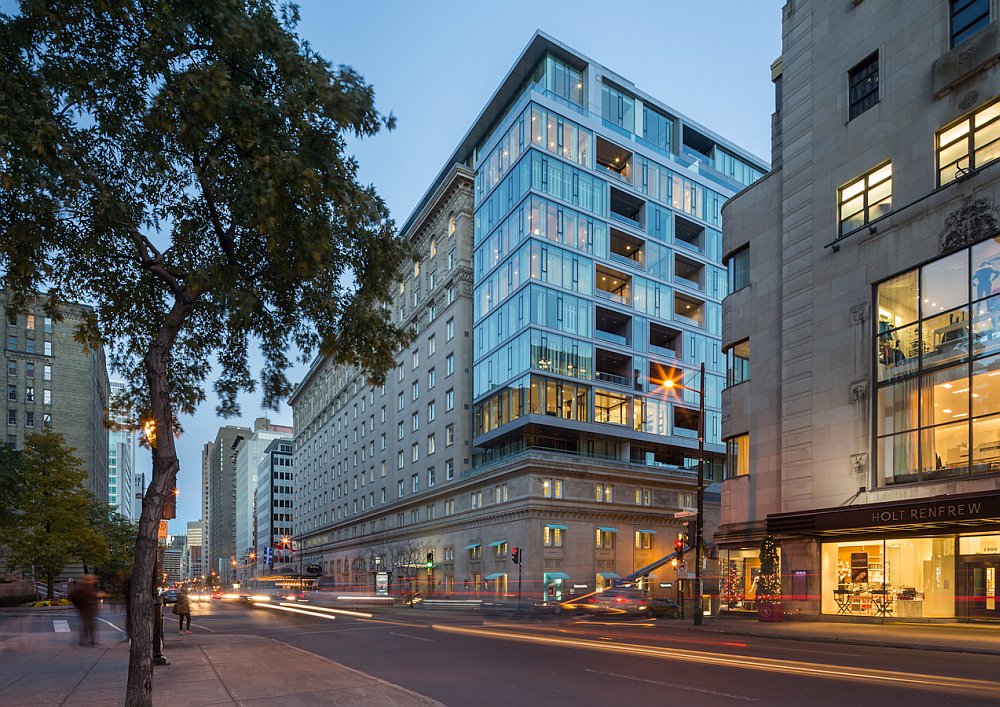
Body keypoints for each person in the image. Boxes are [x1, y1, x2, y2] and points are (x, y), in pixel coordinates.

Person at [68, 575, 104, 646]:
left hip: (87, 609)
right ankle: (88, 641)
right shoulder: (83, 588)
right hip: (86, 609)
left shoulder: (84, 587)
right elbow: (88, 597)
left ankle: (89, 641)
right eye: (92, 579)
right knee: (88, 625)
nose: (93, 581)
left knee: (88, 625)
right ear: (88, 580)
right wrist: (97, 596)